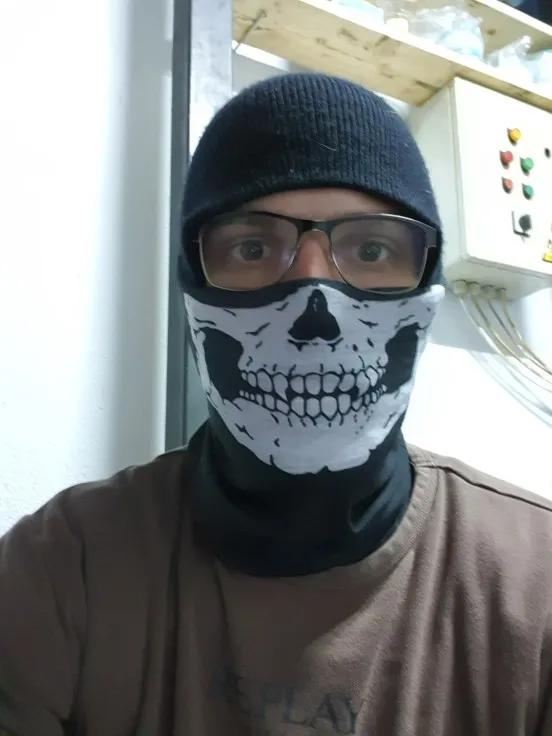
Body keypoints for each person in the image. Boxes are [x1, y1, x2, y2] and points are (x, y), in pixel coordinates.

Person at [0, 72, 551, 736]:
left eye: (371, 249)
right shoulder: (64, 566)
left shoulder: (537, 585)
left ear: (426, 283)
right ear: (192, 283)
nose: (316, 314)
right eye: (254, 248)